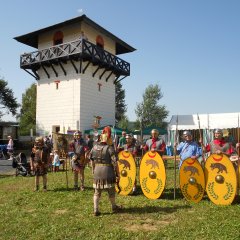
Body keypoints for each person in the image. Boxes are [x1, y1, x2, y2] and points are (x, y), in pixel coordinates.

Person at [90, 131, 122, 216]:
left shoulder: (94, 148)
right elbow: (115, 162)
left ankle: (95, 209)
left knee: (97, 192)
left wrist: (93, 170)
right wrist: (118, 174)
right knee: (111, 191)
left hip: (97, 171)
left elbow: (91, 160)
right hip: (107, 171)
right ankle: (114, 206)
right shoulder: (109, 148)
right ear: (107, 140)